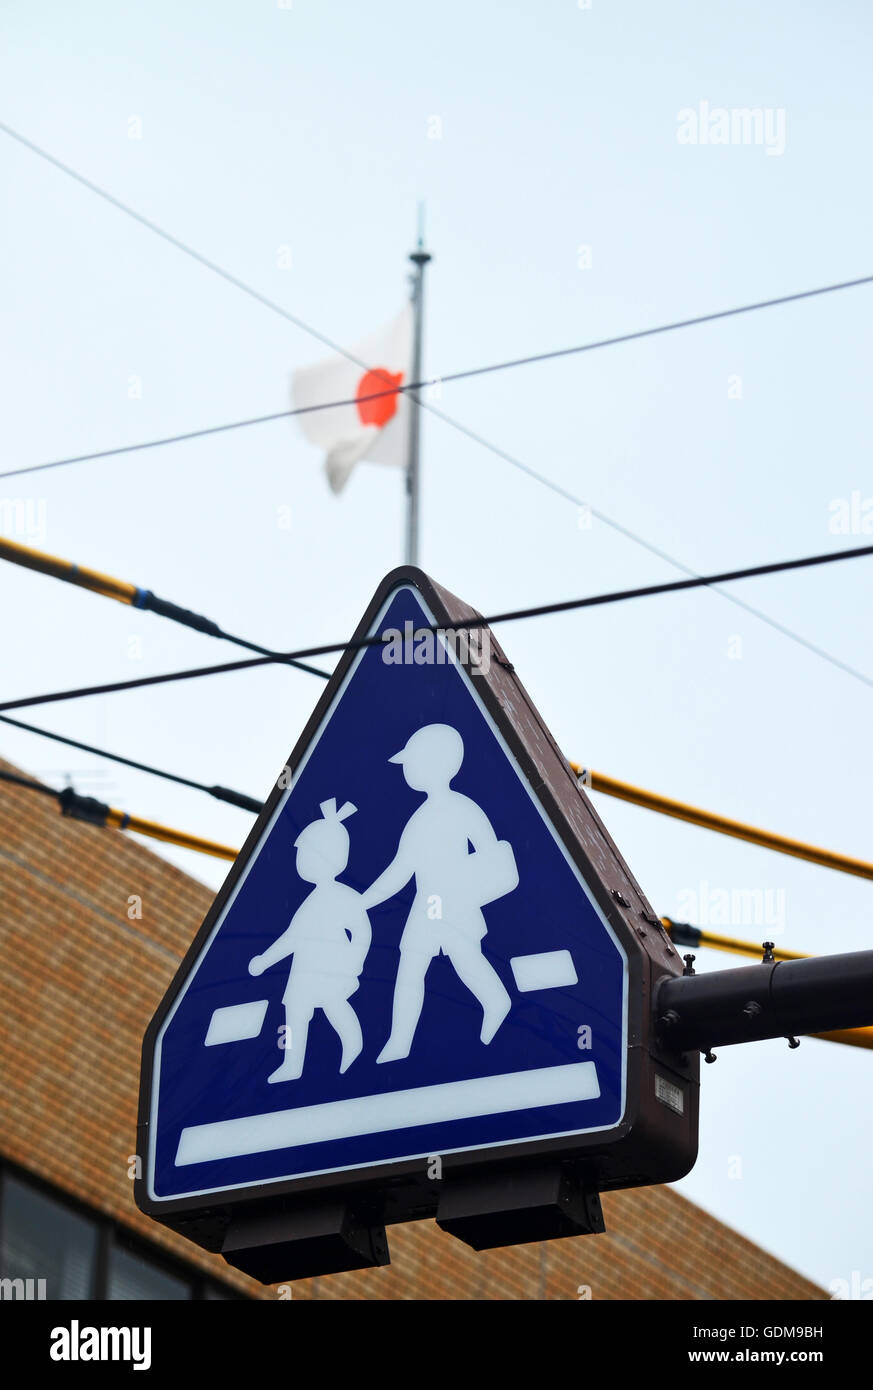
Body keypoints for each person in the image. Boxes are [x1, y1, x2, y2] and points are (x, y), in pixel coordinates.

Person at [362, 723, 515, 1063]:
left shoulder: (463, 808)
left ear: (431, 764)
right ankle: (399, 1041)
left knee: (465, 959)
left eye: (411, 764)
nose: (407, 772)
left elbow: (491, 853)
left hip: (456, 901)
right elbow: (401, 870)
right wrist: (364, 902)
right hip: (427, 904)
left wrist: (474, 885)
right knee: (411, 969)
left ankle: (496, 1001)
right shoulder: (419, 818)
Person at [249, 798, 370, 1083]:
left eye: (307, 855)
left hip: (331, 967)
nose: (300, 861)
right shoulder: (309, 903)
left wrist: (355, 960)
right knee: (295, 1012)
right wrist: (265, 960)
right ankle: (292, 1064)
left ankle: (354, 1047)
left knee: (334, 1006)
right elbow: (291, 938)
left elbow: (363, 931)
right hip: (304, 970)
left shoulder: (344, 896)